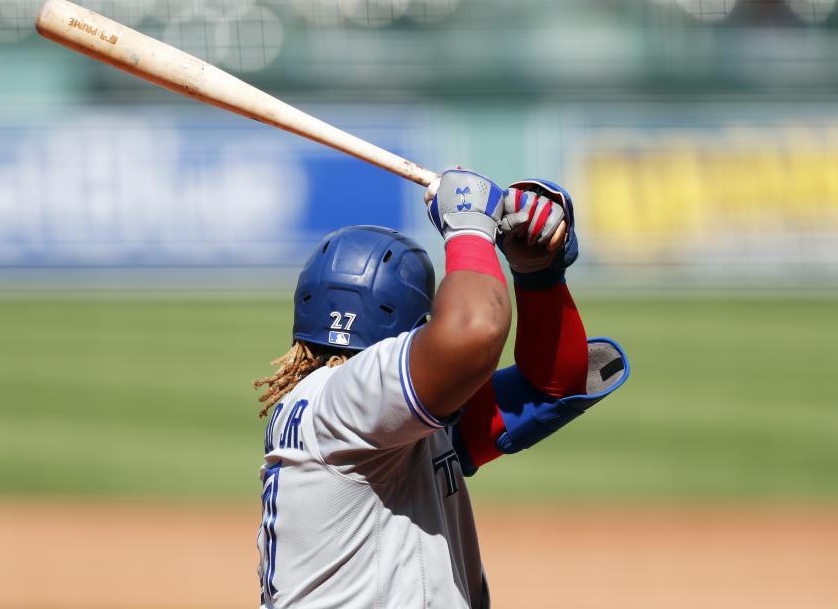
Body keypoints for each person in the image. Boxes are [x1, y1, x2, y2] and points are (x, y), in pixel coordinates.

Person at [253, 170, 630, 608]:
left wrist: (537, 275)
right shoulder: (344, 404)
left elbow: (548, 389)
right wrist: (468, 229)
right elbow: (474, 329)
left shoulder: (371, 420)